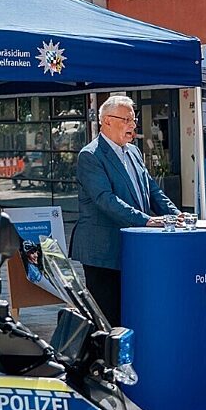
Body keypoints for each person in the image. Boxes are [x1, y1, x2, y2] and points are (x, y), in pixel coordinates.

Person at [71, 94, 180, 326]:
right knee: (108, 319)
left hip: (132, 248)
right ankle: (103, 361)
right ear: (106, 121)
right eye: (126, 120)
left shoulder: (133, 151)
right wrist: (147, 221)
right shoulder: (90, 156)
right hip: (103, 251)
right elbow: (105, 199)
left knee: (130, 314)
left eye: (133, 120)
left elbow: (152, 190)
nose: (132, 125)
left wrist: (175, 214)